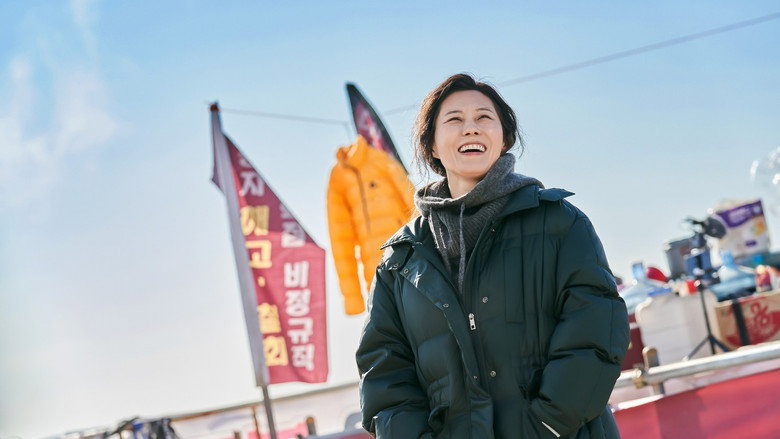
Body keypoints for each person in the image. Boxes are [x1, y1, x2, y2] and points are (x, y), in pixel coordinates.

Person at [356, 74, 630, 438]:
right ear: (432, 145)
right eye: (454, 119)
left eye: (484, 117)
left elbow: (596, 330)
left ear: (504, 138)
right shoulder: (400, 260)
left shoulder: (560, 223)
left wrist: (546, 425)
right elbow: (384, 374)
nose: (470, 128)